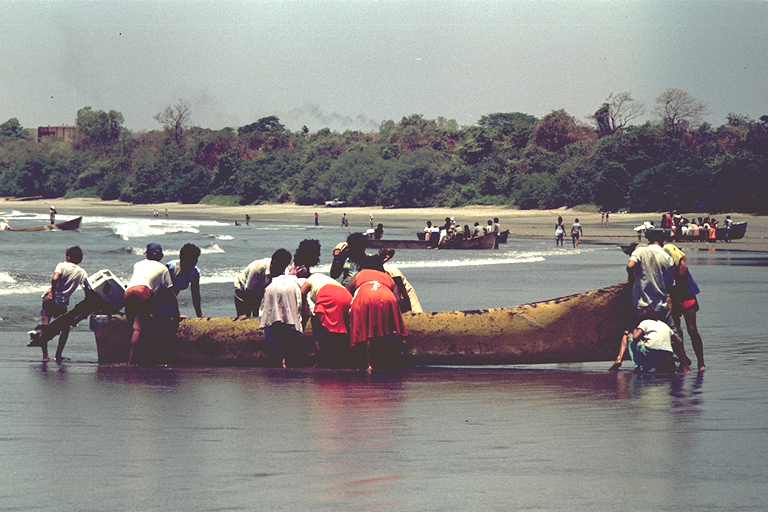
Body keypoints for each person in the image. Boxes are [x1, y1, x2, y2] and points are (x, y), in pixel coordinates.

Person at [28, 246, 88, 362]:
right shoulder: (82, 273)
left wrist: (52, 292)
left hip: (49, 299)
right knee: (65, 329)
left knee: (45, 325)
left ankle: (45, 356)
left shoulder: (61, 265)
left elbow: (55, 278)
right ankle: (58, 355)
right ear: (80, 259)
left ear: (68, 257)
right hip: (62, 303)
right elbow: (87, 287)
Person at [124, 243, 175, 365]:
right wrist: (174, 313)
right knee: (138, 327)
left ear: (146, 254)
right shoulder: (163, 268)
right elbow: (170, 292)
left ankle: (127, 354)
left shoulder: (138, 264)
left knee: (131, 324)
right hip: (142, 292)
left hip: (128, 292)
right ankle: (131, 360)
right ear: (161, 256)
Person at [349, 268, 408, 371]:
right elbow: (397, 298)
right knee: (386, 329)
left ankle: (366, 364)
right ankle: (385, 362)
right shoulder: (387, 277)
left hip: (365, 296)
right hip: (387, 297)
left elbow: (348, 293)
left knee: (364, 331)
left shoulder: (359, 275)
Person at [664, 239, 705, 371]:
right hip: (676, 301)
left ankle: (700, 362)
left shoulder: (680, 266)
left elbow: (682, 272)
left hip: (687, 299)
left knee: (692, 330)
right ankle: (684, 360)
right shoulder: (666, 267)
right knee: (677, 332)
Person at [260, 249, 306, 367]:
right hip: (290, 288)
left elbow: (265, 308)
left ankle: (277, 362)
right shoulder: (293, 275)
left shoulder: (272, 280)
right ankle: (289, 361)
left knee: (273, 325)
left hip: (273, 290)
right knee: (292, 323)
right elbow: (300, 305)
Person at [301, 271, 353, 367]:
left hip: (328, 294)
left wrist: (303, 306)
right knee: (341, 328)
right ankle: (341, 358)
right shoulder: (329, 280)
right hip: (347, 296)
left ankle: (324, 358)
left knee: (321, 326)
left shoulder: (313, 277)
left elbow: (302, 292)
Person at [626, 229, 674, 324]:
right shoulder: (666, 257)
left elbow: (630, 266)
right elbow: (670, 283)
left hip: (641, 304)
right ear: (662, 240)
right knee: (667, 330)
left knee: (638, 329)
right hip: (660, 306)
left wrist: (632, 278)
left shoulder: (640, 251)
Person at [609, 312, 680, 373]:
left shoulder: (645, 322)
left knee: (630, 337)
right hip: (667, 353)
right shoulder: (665, 325)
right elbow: (678, 340)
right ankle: (664, 363)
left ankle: (639, 365)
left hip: (652, 352)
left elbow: (635, 337)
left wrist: (634, 330)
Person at [166, 243, 203, 318]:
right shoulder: (171, 268)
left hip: (171, 296)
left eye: (195, 259)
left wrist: (199, 315)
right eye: (190, 259)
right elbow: (165, 294)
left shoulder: (195, 272)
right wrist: (176, 314)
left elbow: (195, 295)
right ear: (181, 258)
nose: (194, 262)